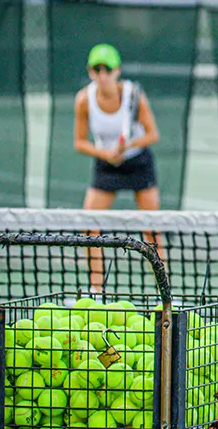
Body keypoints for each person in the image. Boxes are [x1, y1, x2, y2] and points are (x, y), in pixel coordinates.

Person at [73, 43, 161, 291]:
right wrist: (105, 153)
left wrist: (128, 145)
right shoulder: (83, 100)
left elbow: (153, 134)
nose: (102, 75)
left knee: (152, 229)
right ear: (90, 72)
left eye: (107, 69)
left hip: (138, 162)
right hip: (106, 165)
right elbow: (79, 142)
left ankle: (164, 293)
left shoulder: (135, 95)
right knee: (90, 225)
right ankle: (96, 290)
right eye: (96, 69)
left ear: (117, 70)